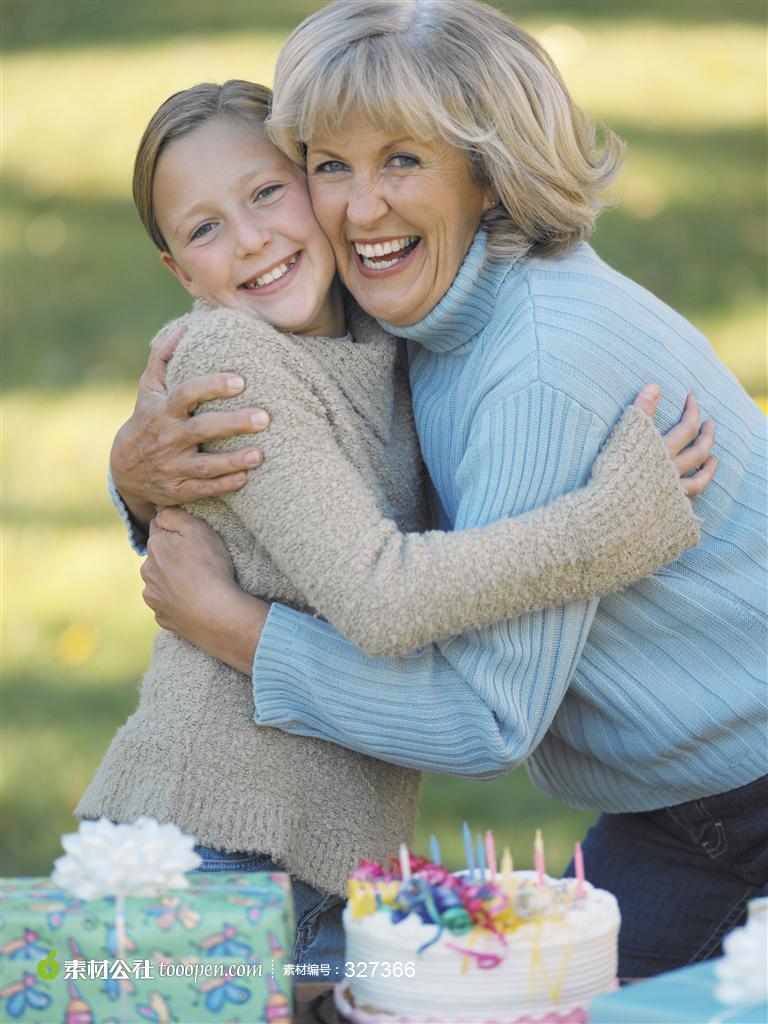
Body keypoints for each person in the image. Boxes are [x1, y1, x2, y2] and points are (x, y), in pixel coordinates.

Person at [109, 0, 767, 979]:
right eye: (331, 165)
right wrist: (137, 473)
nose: (360, 209)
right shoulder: (403, 319)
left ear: (489, 174)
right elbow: (292, 456)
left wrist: (232, 626)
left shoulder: (532, 363)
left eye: (402, 161)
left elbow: (480, 716)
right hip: (239, 838)